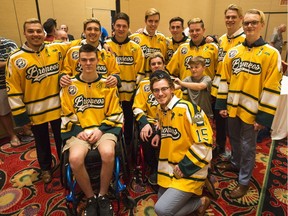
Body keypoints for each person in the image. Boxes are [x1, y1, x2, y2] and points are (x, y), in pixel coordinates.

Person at [215, 9, 283, 199]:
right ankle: (235, 163)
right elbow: (224, 78)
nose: (250, 26)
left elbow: (272, 88)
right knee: (233, 139)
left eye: (254, 22)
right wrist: (222, 105)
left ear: (262, 25)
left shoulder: (271, 54)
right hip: (233, 108)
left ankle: (244, 181)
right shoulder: (234, 51)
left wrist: (263, 118)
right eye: (247, 23)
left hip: (252, 113)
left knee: (248, 147)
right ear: (243, 25)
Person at [6, 18, 71, 184]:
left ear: (43, 33)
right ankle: (45, 168)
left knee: (63, 139)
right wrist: (21, 118)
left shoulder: (55, 48)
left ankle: (66, 165)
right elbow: (13, 90)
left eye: (38, 31)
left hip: (58, 108)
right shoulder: (15, 59)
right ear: (24, 33)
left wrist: (103, 44)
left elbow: (78, 43)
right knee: (42, 142)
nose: (35, 34)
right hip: (35, 111)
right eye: (31, 31)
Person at [61, 44, 123, 216]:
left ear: (98, 60)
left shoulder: (108, 84)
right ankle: (90, 198)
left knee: (108, 153)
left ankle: (102, 195)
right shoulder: (69, 85)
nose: (88, 63)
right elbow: (65, 112)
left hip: (104, 129)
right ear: (79, 61)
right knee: (74, 159)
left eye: (91, 59)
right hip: (79, 131)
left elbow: (116, 112)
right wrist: (79, 129)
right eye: (84, 60)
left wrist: (101, 130)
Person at [149, 70, 212, 216]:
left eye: (164, 89)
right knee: (163, 204)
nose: (160, 93)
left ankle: (200, 202)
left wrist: (185, 166)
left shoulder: (190, 109)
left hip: (189, 168)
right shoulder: (160, 109)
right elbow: (167, 126)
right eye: (156, 90)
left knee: (161, 210)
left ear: (172, 89)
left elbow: (205, 143)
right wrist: (158, 133)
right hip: (170, 169)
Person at [211, 4, 245, 156]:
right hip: (219, 89)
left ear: (240, 19)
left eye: (234, 17)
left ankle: (237, 157)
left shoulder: (245, 40)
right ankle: (221, 147)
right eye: (228, 17)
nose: (230, 20)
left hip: (236, 91)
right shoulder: (223, 39)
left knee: (235, 128)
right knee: (219, 123)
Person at [106, 12, 144, 146]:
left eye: (124, 26)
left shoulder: (136, 48)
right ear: (113, 26)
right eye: (118, 26)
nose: (121, 29)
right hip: (110, 94)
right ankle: (113, 144)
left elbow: (140, 73)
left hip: (130, 95)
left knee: (129, 121)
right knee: (111, 121)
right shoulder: (105, 46)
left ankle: (127, 146)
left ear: (128, 28)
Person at [166, 18, 218, 99]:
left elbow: (219, 73)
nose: (194, 33)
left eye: (197, 30)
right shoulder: (182, 48)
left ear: (203, 30)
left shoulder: (213, 48)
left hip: (206, 96)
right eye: (191, 31)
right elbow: (169, 71)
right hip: (186, 95)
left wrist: (214, 94)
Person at [60, 18, 120, 88]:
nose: (93, 32)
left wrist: (115, 78)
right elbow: (65, 71)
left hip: (101, 96)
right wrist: (62, 77)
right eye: (89, 29)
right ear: (84, 32)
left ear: (100, 33)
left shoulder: (108, 53)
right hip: (77, 95)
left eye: (96, 29)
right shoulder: (72, 51)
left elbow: (115, 73)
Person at [130, 8, 167, 76]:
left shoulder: (162, 39)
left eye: (156, 21)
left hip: (157, 78)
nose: (153, 24)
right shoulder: (135, 38)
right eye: (150, 21)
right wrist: (104, 44)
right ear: (145, 21)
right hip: (139, 79)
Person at [0, 37, 20, 147]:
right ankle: (12, 135)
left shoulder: (9, 42)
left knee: (21, 106)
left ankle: (26, 129)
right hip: (1, 85)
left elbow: (20, 59)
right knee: (4, 112)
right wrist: (9, 61)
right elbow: (14, 60)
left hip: (16, 82)